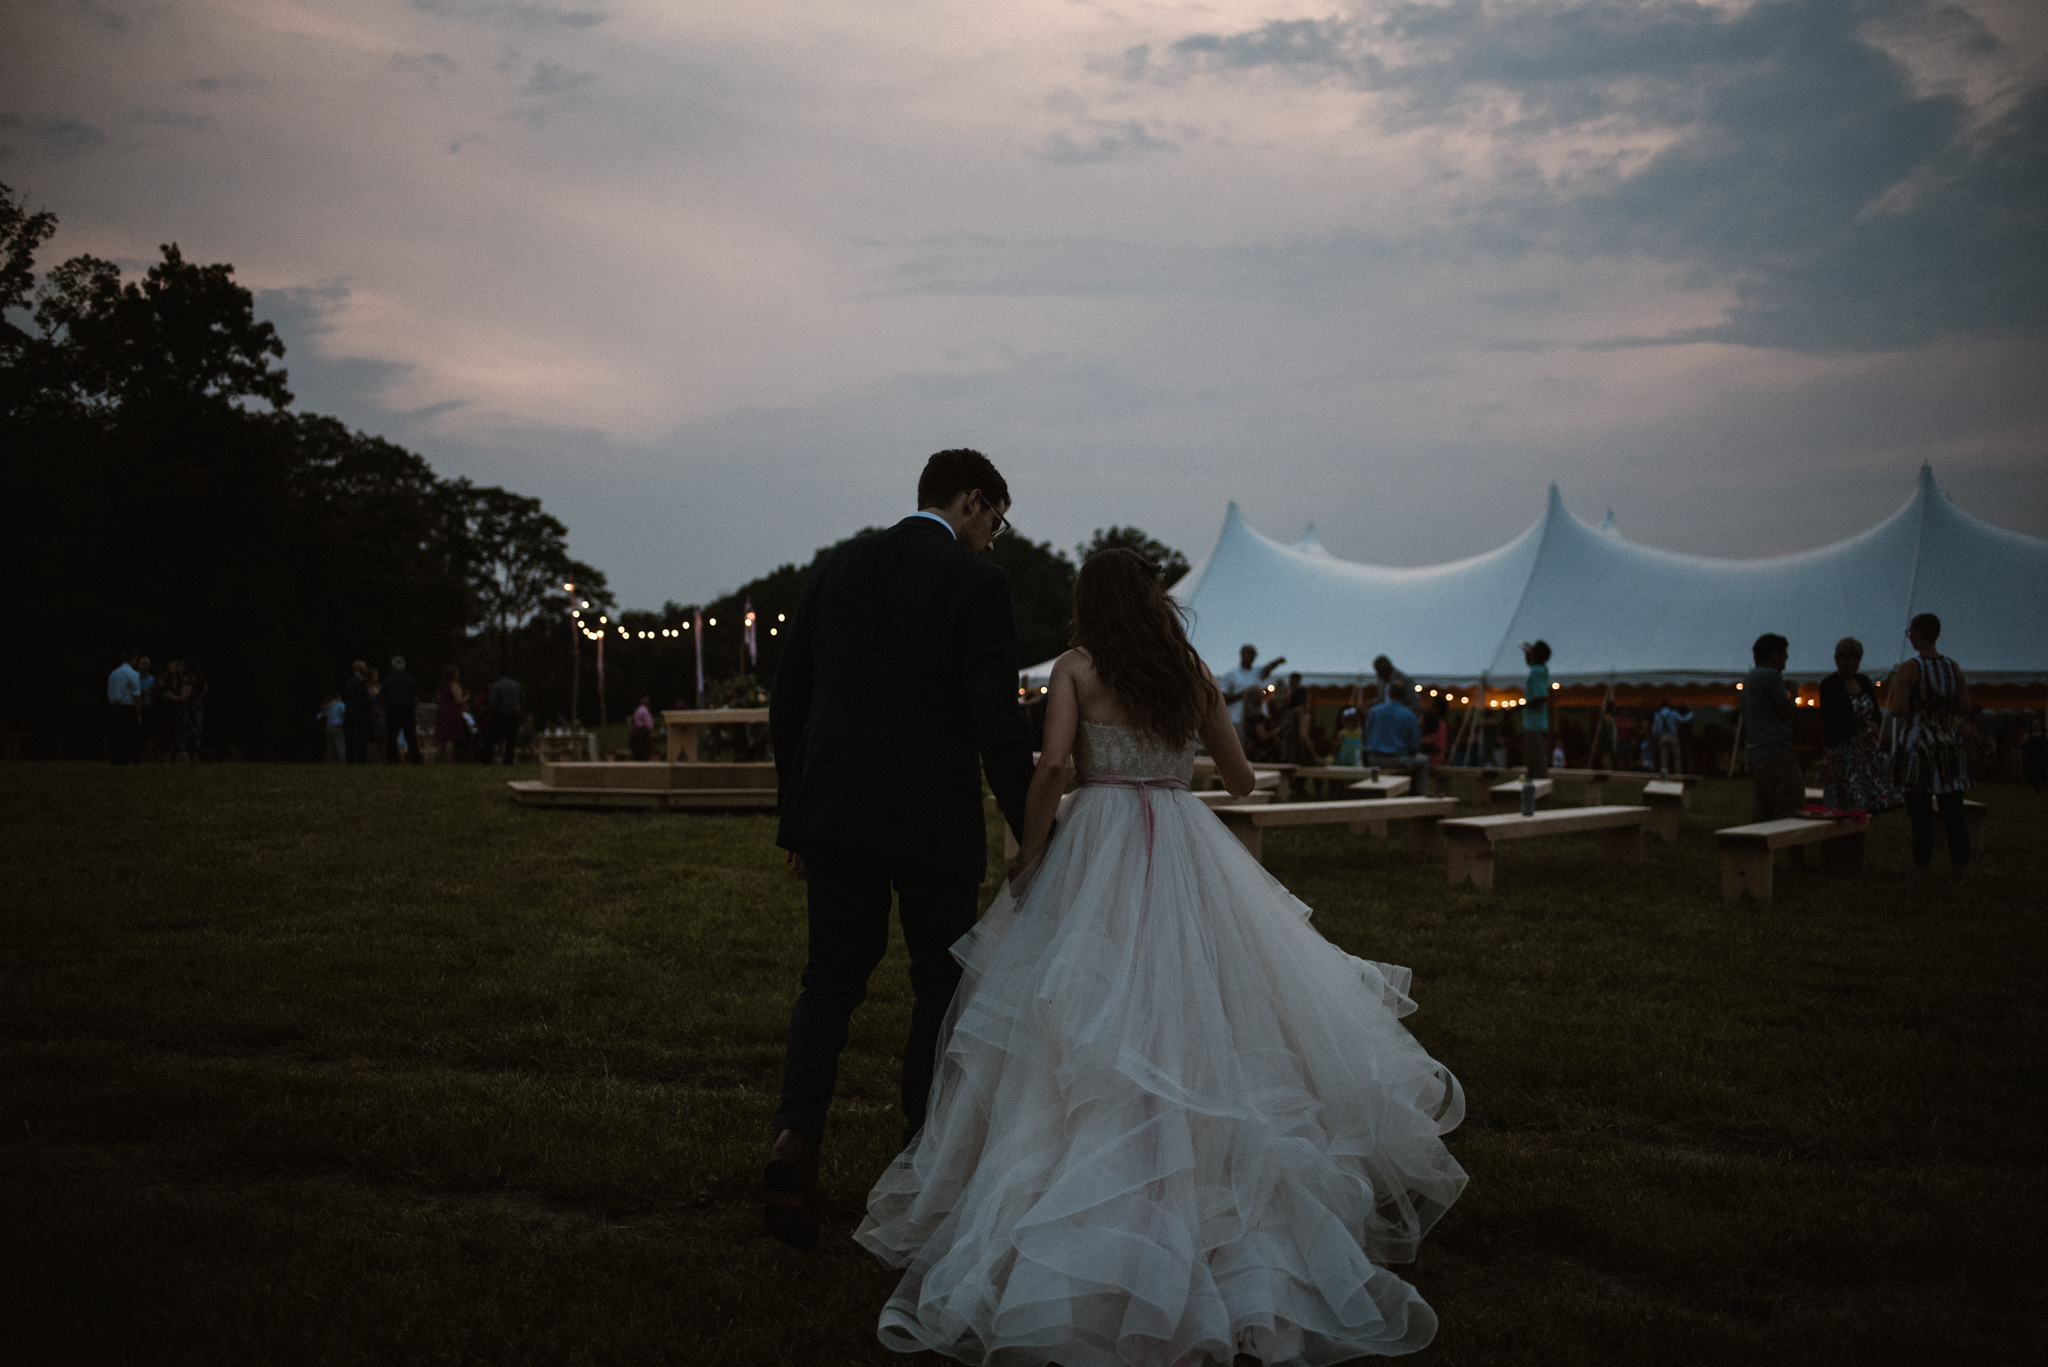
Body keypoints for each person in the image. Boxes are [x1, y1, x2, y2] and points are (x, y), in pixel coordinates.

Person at [857, 548, 1467, 1362]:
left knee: (1085, 1013)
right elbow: (1245, 781)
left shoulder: (1077, 669)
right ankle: (1213, 1188)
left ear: (1088, 603)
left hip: (1098, 844)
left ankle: (1091, 1193)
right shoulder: (1191, 671)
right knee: (1202, 1003)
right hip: (1184, 845)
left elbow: (1048, 767)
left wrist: (1028, 855)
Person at [764, 448, 1035, 1252]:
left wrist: (797, 817)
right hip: (930, 818)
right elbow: (995, 717)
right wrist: (1032, 826)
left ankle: (793, 1144)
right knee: (939, 983)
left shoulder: (840, 566)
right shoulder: (978, 584)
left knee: (830, 980)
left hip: (838, 810)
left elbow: (791, 695)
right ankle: (921, 1152)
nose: (995, 539)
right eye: (998, 521)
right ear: (974, 500)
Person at [1889, 613, 1972, 882]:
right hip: (1948, 744)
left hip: (1918, 745)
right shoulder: (1953, 667)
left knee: (1920, 813)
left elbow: (1899, 709)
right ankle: (1959, 869)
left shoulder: (1909, 669)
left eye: (1911, 631)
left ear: (1919, 633)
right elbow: (1964, 706)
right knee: (1953, 812)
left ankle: (1921, 870)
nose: (1909, 636)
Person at [1818, 638, 1899, 813]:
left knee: (1870, 798)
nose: (1850, 663)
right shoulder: (1829, 684)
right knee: (1848, 799)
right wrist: (1863, 724)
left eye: (1854, 659)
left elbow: (1876, 712)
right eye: (1846, 659)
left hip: (1866, 751)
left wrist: (1874, 724)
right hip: (1843, 751)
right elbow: (1834, 717)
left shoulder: (1863, 681)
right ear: (1837, 660)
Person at [1742, 633, 1802, 822]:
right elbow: (1785, 713)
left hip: (1755, 754)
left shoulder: (1748, 679)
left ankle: (1753, 850)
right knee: (1791, 807)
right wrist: (1794, 694)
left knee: (1762, 810)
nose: (1786, 658)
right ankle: (1794, 851)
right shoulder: (1772, 675)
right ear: (1774, 655)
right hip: (1777, 753)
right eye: (1784, 654)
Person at [1364, 681, 1430, 795]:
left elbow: (1366, 733)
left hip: (1373, 758)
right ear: (1404, 695)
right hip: (1396, 759)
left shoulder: (1374, 711)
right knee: (1423, 761)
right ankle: (1418, 795)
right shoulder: (1409, 715)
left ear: (1389, 693)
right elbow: (1414, 744)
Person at [1216, 643, 1284, 728]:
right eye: (1250, 653)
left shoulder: (1257, 672)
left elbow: (1268, 668)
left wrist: (1277, 662)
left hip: (1256, 721)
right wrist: (1244, 694)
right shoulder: (1231, 675)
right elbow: (1222, 699)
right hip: (1237, 720)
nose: (1252, 656)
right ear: (1242, 654)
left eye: (1254, 654)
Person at [1520, 640, 1551, 779]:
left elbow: (1541, 697)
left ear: (1536, 655)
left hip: (1534, 724)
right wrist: (1527, 651)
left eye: (1532, 651)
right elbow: (1530, 663)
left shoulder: (1536, 673)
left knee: (1536, 762)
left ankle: (1540, 794)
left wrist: (1518, 707)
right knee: (1534, 760)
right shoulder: (1540, 668)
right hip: (1538, 723)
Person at [382, 656, 422, 765]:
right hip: (408, 709)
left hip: (393, 710)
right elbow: (415, 698)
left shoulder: (388, 681)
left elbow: (384, 698)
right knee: (411, 736)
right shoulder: (411, 680)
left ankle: (393, 759)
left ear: (393, 667)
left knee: (392, 737)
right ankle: (415, 758)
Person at [107, 650, 144, 765]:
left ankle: (116, 758)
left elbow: (110, 691)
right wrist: (138, 713)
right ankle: (129, 758)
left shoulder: (114, 673)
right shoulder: (133, 674)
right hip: (128, 707)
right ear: (132, 659)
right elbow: (136, 695)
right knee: (130, 734)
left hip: (115, 706)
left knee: (117, 734)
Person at [1275, 685, 1324, 765]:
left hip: (1285, 754)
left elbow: (1280, 731)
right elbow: (1304, 735)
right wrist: (1315, 756)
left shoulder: (1287, 714)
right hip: (1298, 756)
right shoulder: (1303, 714)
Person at [487, 673, 523, 764]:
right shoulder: (516, 685)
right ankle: (509, 760)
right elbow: (522, 699)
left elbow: (493, 701)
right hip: (514, 714)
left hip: (501, 714)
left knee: (493, 737)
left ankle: (487, 758)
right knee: (511, 739)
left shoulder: (497, 685)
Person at [175, 660, 207, 763]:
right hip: (197, 709)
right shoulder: (198, 678)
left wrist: (172, 696)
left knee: (186, 737)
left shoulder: (188, 678)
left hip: (188, 710)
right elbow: (205, 688)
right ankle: (194, 763)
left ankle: (185, 763)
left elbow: (184, 697)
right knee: (195, 736)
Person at [341, 661, 372, 764]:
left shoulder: (348, 682)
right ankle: (360, 761)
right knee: (360, 741)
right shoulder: (361, 682)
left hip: (349, 715)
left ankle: (349, 761)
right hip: (359, 716)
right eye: (365, 667)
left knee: (350, 741)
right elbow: (364, 700)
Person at [435, 666, 466, 764]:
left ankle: (441, 760)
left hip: (441, 712)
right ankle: (448, 760)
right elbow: (458, 700)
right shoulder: (454, 685)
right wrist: (466, 697)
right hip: (452, 713)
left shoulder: (441, 686)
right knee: (450, 738)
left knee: (442, 739)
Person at [319, 693, 346, 763]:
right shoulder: (340, 704)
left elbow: (319, 716)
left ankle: (331, 762)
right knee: (340, 745)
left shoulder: (328, 705)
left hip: (328, 727)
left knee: (330, 746)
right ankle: (342, 762)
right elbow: (345, 713)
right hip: (337, 726)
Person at [629, 695, 656, 761]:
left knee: (637, 751)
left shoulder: (637, 710)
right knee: (644, 751)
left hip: (635, 731)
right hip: (642, 732)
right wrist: (651, 733)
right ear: (648, 704)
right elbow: (649, 725)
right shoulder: (645, 712)